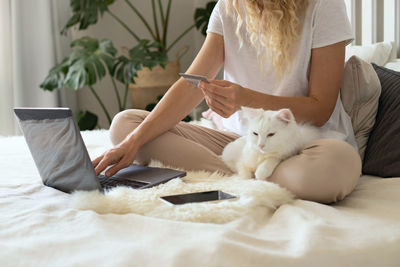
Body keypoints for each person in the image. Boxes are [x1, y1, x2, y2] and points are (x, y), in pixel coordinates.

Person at [93, 0, 361, 204]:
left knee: (337, 163)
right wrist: (133, 141)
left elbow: (320, 108)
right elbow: (191, 85)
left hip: (303, 145)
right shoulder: (228, 7)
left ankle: (244, 174)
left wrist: (246, 97)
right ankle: (246, 174)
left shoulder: (324, 5)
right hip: (243, 144)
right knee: (125, 125)